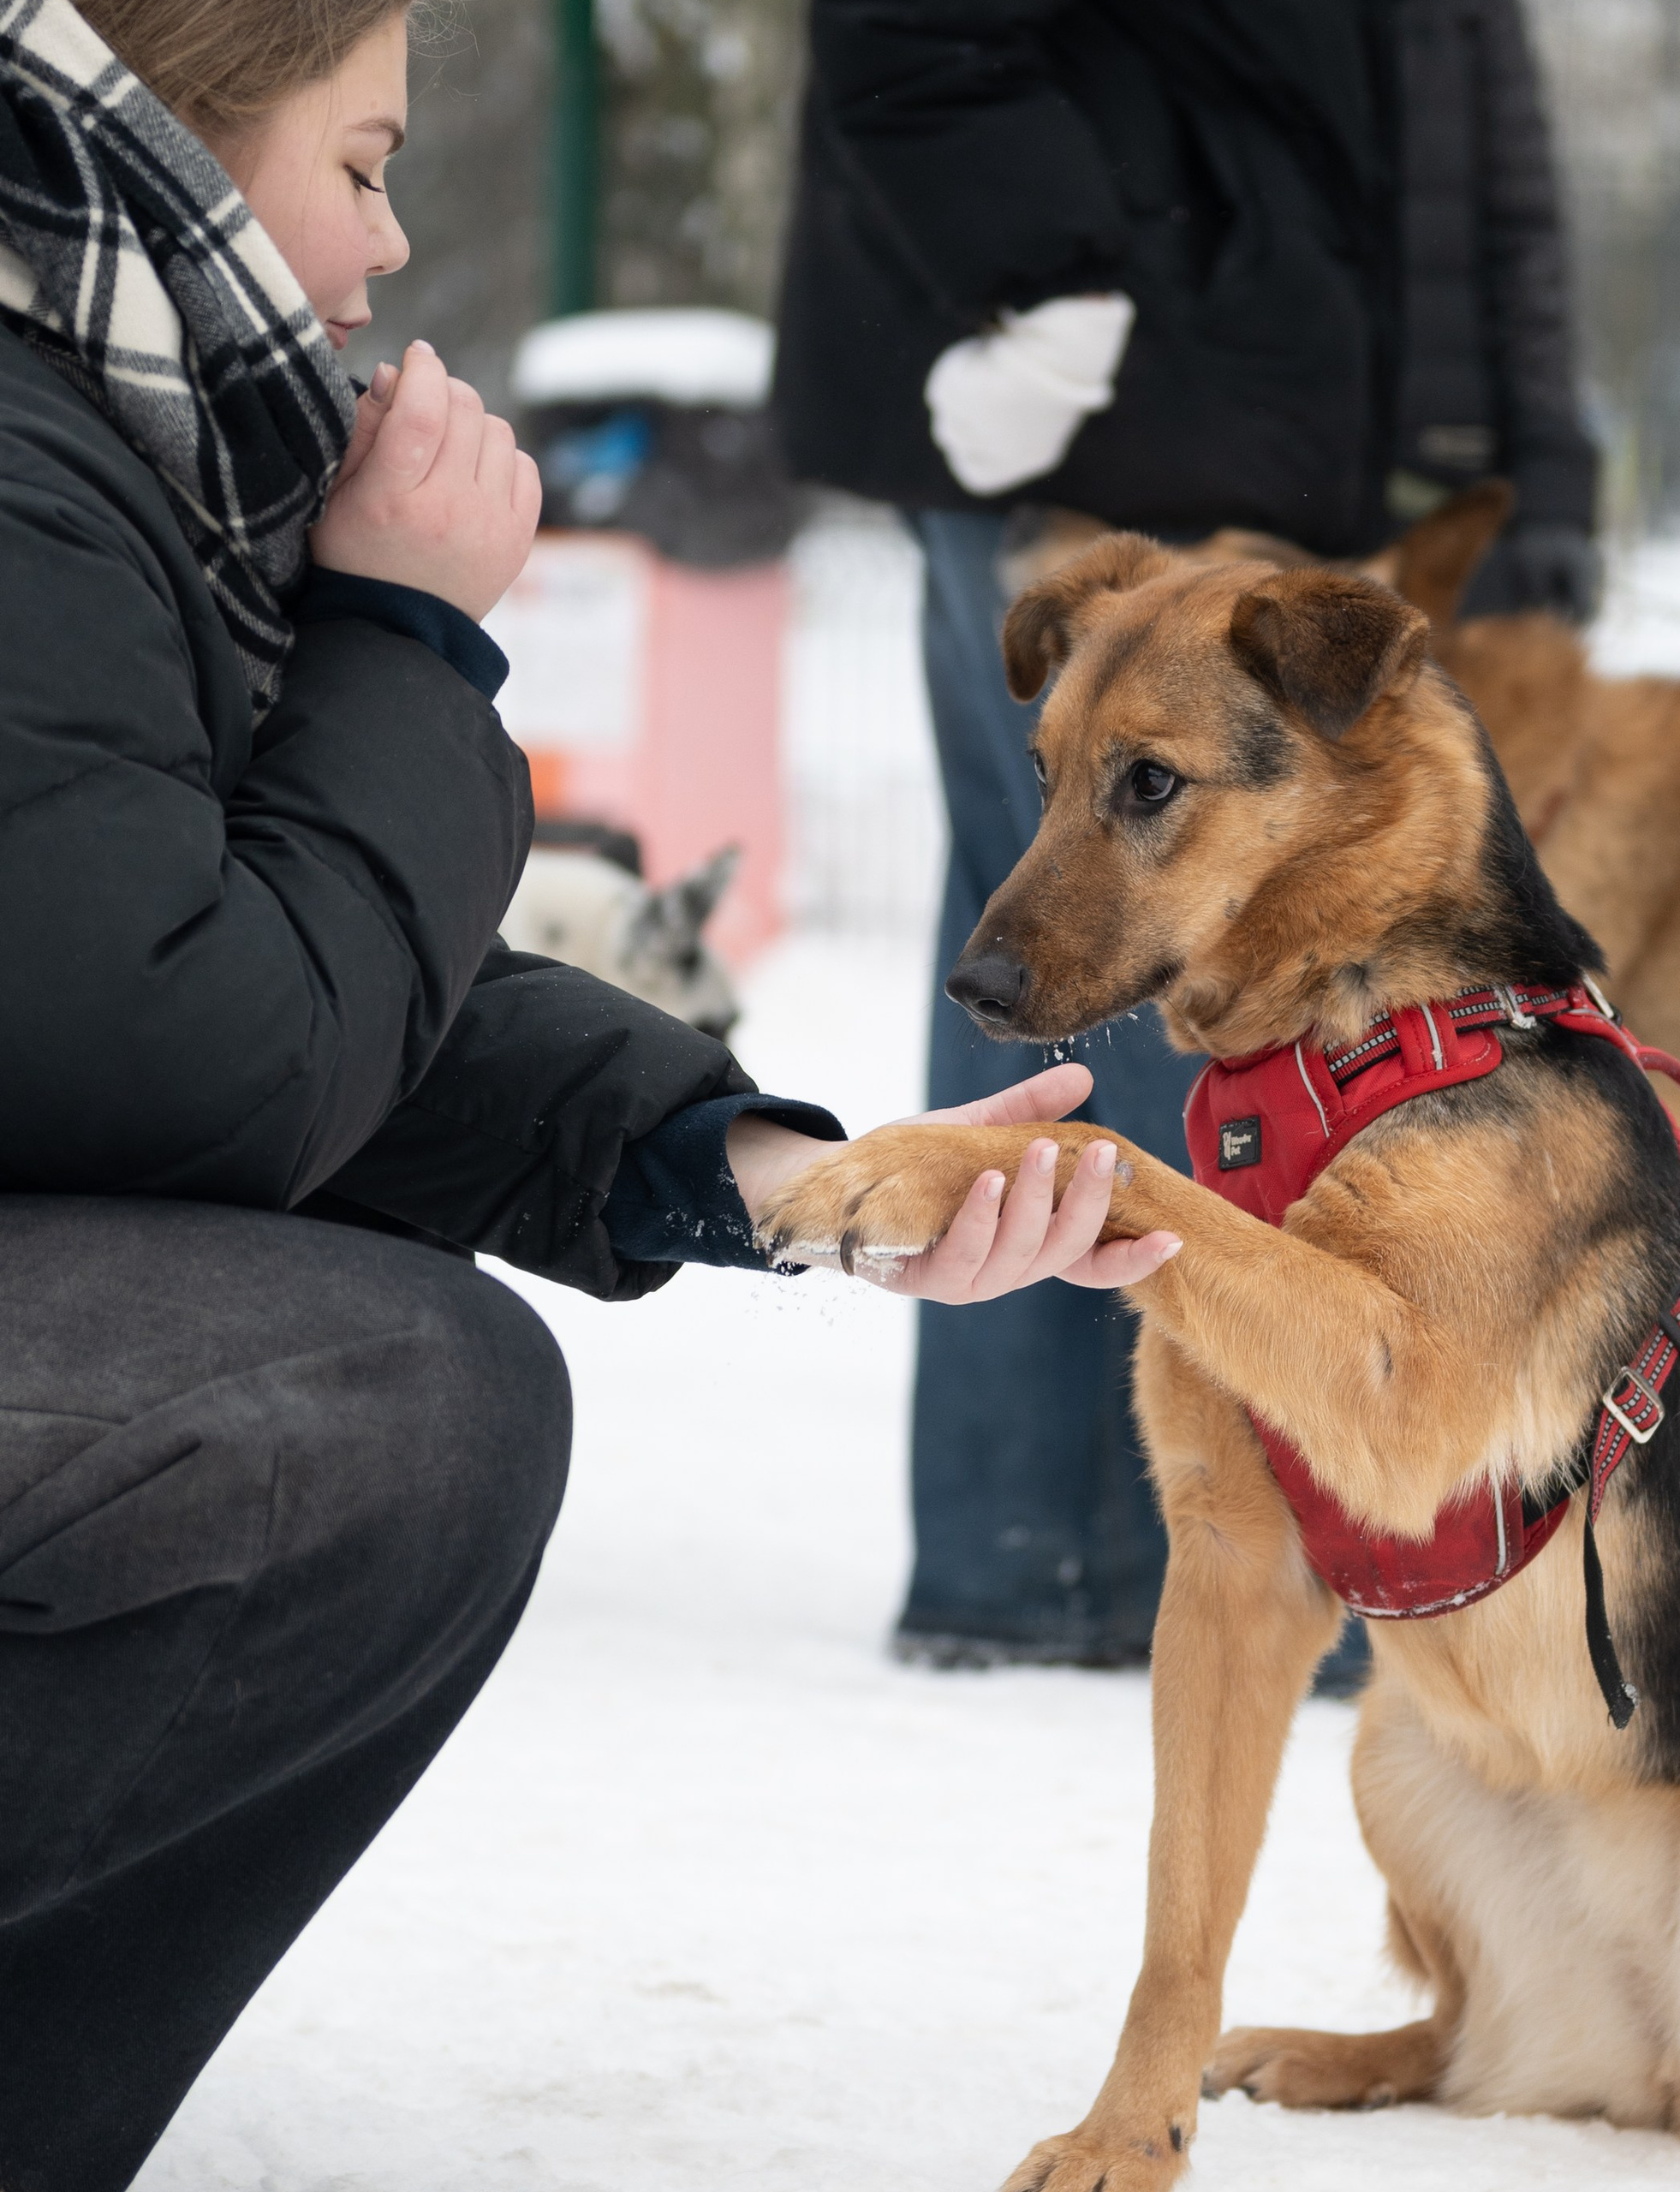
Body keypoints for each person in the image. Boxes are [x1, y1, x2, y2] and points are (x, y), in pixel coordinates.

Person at [0, 5, 1177, 2186]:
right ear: (161, 122)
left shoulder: (101, 431)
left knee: (408, 1387)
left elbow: (222, 988)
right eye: (356, 165)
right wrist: (405, 644)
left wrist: (765, 1173)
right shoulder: (27, 457)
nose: (383, 247)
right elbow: (200, 1067)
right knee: (373, 1402)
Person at [776, 0, 1600, 1672]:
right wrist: (1053, 291)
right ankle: (1204, 1555)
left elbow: (1458, 142)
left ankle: (1068, 1554)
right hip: (1065, 396)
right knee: (1117, 961)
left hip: (1300, 431)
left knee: (1109, 954)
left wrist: (1517, 465)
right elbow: (914, 39)